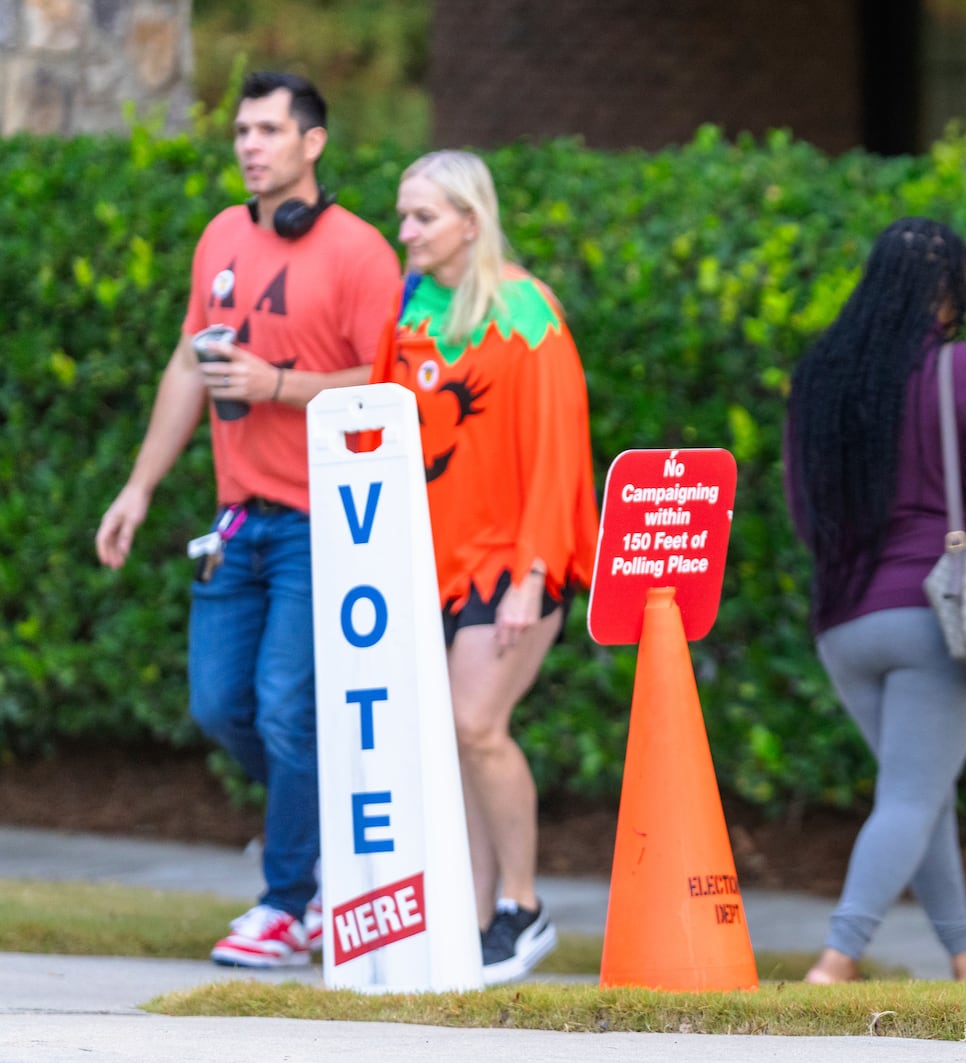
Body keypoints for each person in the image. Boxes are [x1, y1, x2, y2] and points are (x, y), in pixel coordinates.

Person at [94, 72, 402, 967]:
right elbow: (189, 367)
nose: (249, 145)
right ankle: (325, 844)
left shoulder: (359, 253)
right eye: (240, 129)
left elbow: (389, 384)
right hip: (236, 524)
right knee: (219, 705)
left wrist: (280, 387)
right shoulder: (222, 237)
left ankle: (286, 901)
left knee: (282, 708)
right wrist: (139, 487)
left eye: (269, 129)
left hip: (323, 523)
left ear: (314, 143)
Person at [783, 217, 966, 984]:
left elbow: (802, 512)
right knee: (909, 797)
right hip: (934, 610)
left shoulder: (823, 376)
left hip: (844, 621)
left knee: (919, 791)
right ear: (950, 290)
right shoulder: (958, 368)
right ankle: (837, 961)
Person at [369, 150, 599, 985]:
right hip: (425, 562)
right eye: (403, 215)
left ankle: (524, 905)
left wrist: (535, 575)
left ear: (472, 219)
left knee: (476, 726)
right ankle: (470, 918)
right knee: (450, 740)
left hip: (513, 560)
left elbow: (556, 452)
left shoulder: (526, 311)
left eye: (423, 217)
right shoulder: (409, 310)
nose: (407, 232)